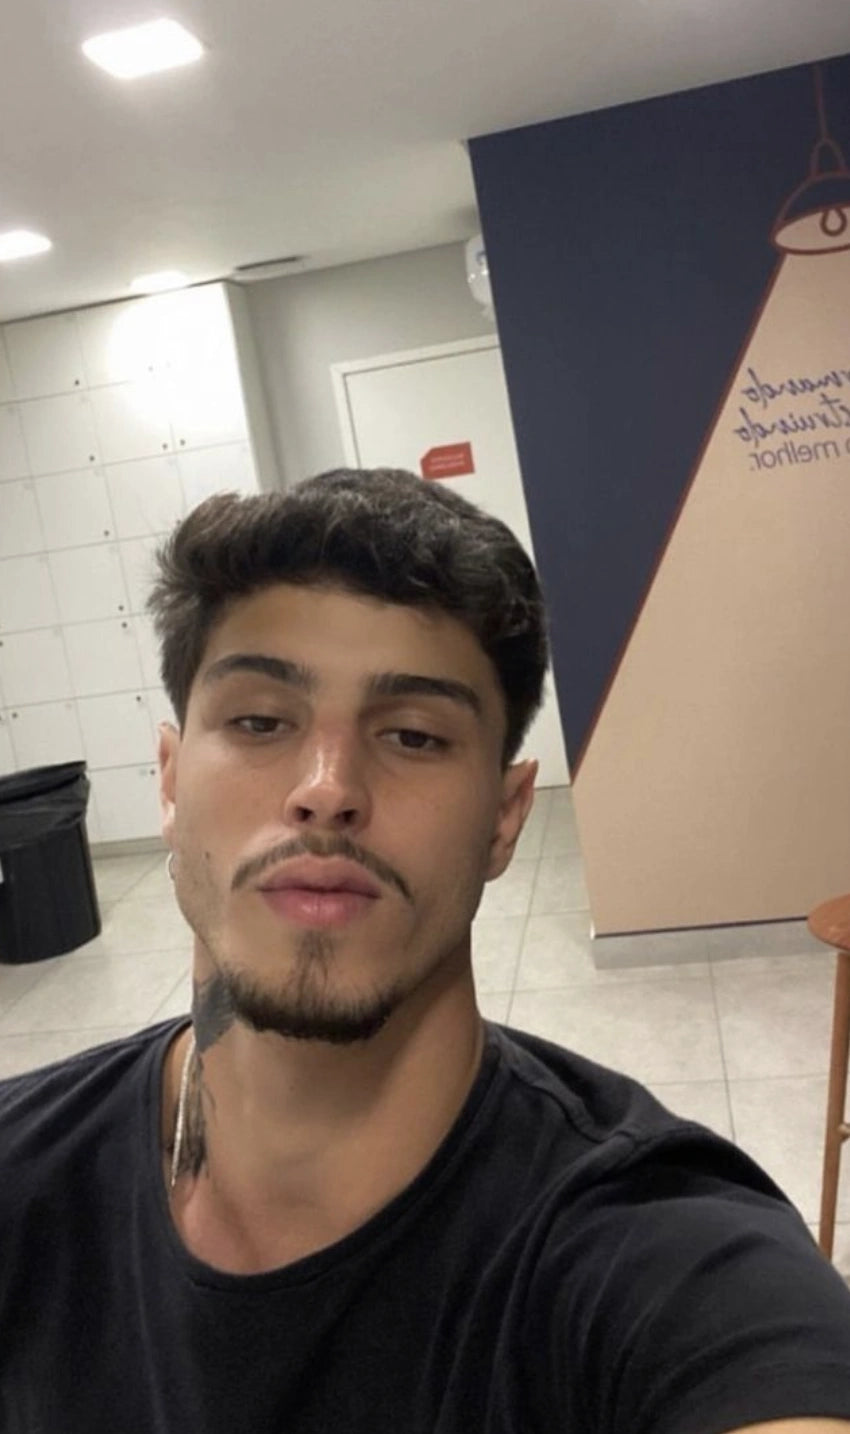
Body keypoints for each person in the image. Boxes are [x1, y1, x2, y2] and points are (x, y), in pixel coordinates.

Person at [1, 467, 849, 1433]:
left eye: (412, 735)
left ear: (505, 816)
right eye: (260, 721)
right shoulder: (22, 1180)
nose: (327, 789)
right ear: (168, 780)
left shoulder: (655, 1257)